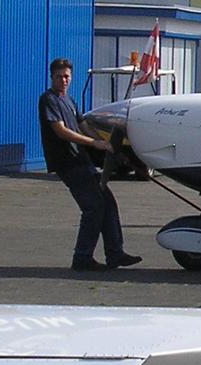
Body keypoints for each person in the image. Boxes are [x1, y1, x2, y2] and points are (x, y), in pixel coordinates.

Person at [38, 57, 141, 271]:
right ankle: (82, 258)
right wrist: (95, 143)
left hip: (81, 160)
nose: (63, 80)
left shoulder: (69, 100)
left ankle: (115, 253)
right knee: (93, 207)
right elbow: (62, 131)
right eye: (59, 77)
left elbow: (83, 124)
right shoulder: (48, 100)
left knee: (108, 203)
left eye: (67, 76)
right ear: (52, 77)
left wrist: (105, 143)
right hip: (68, 163)